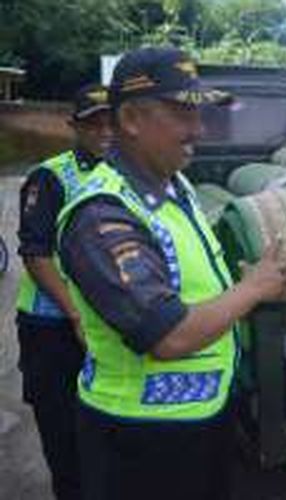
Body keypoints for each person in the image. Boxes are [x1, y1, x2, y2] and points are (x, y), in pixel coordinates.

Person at [56, 47, 286, 500]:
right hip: (140, 439)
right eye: (182, 113)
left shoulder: (174, 183)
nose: (198, 129)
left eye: (199, 113)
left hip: (198, 419)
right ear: (129, 119)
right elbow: (169, 336)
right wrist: (252, 290)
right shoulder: (102, 215)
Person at [15, 82, 111, 500]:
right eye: (94, 124)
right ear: (75, 127)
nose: (105, 131)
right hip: (52, 327)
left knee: (102, 429)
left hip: (102, 326)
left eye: (113, 122)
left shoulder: (127, 175)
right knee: (63, 435)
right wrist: (75, 315)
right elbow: (36, 254)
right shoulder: (51, 177)